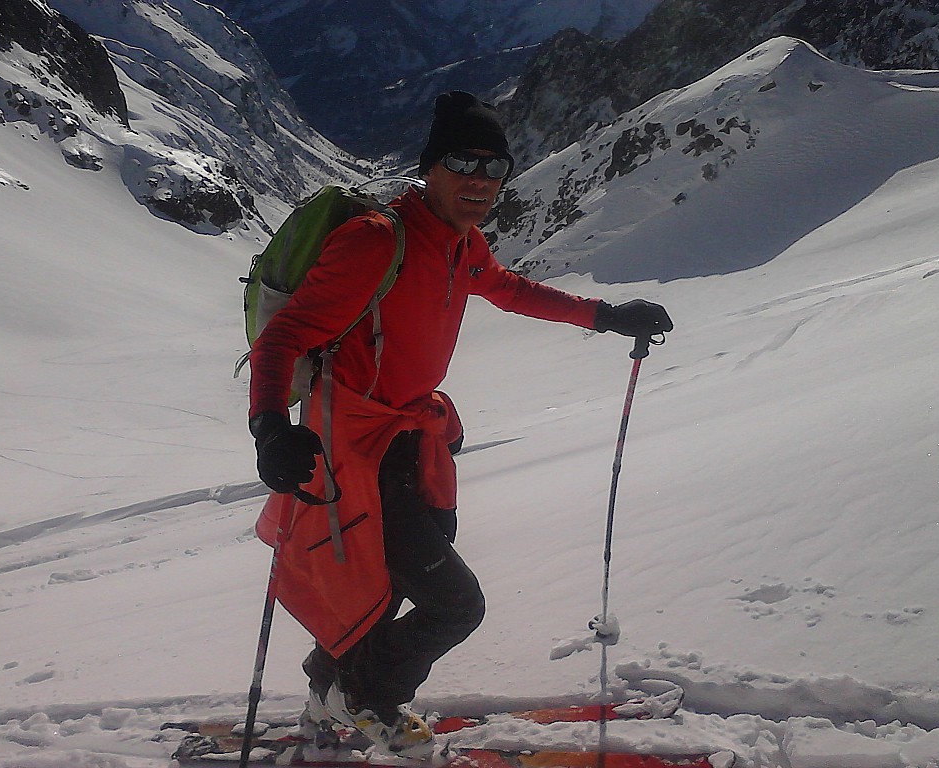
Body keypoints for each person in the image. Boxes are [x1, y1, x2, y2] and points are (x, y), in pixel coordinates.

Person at [248, 91, 672, 757]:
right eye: (462, 162)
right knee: (454, 603)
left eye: (494, 167)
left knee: (390, 582)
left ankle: (328, 690)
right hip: (353, 450)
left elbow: (510, 290)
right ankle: (364, 695)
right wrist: (271, 428)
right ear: (430, 168)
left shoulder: (462, 244)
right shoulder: (377, 241)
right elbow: (284, 337)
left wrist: (605, 316)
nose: (479, 179)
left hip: (407, 442)